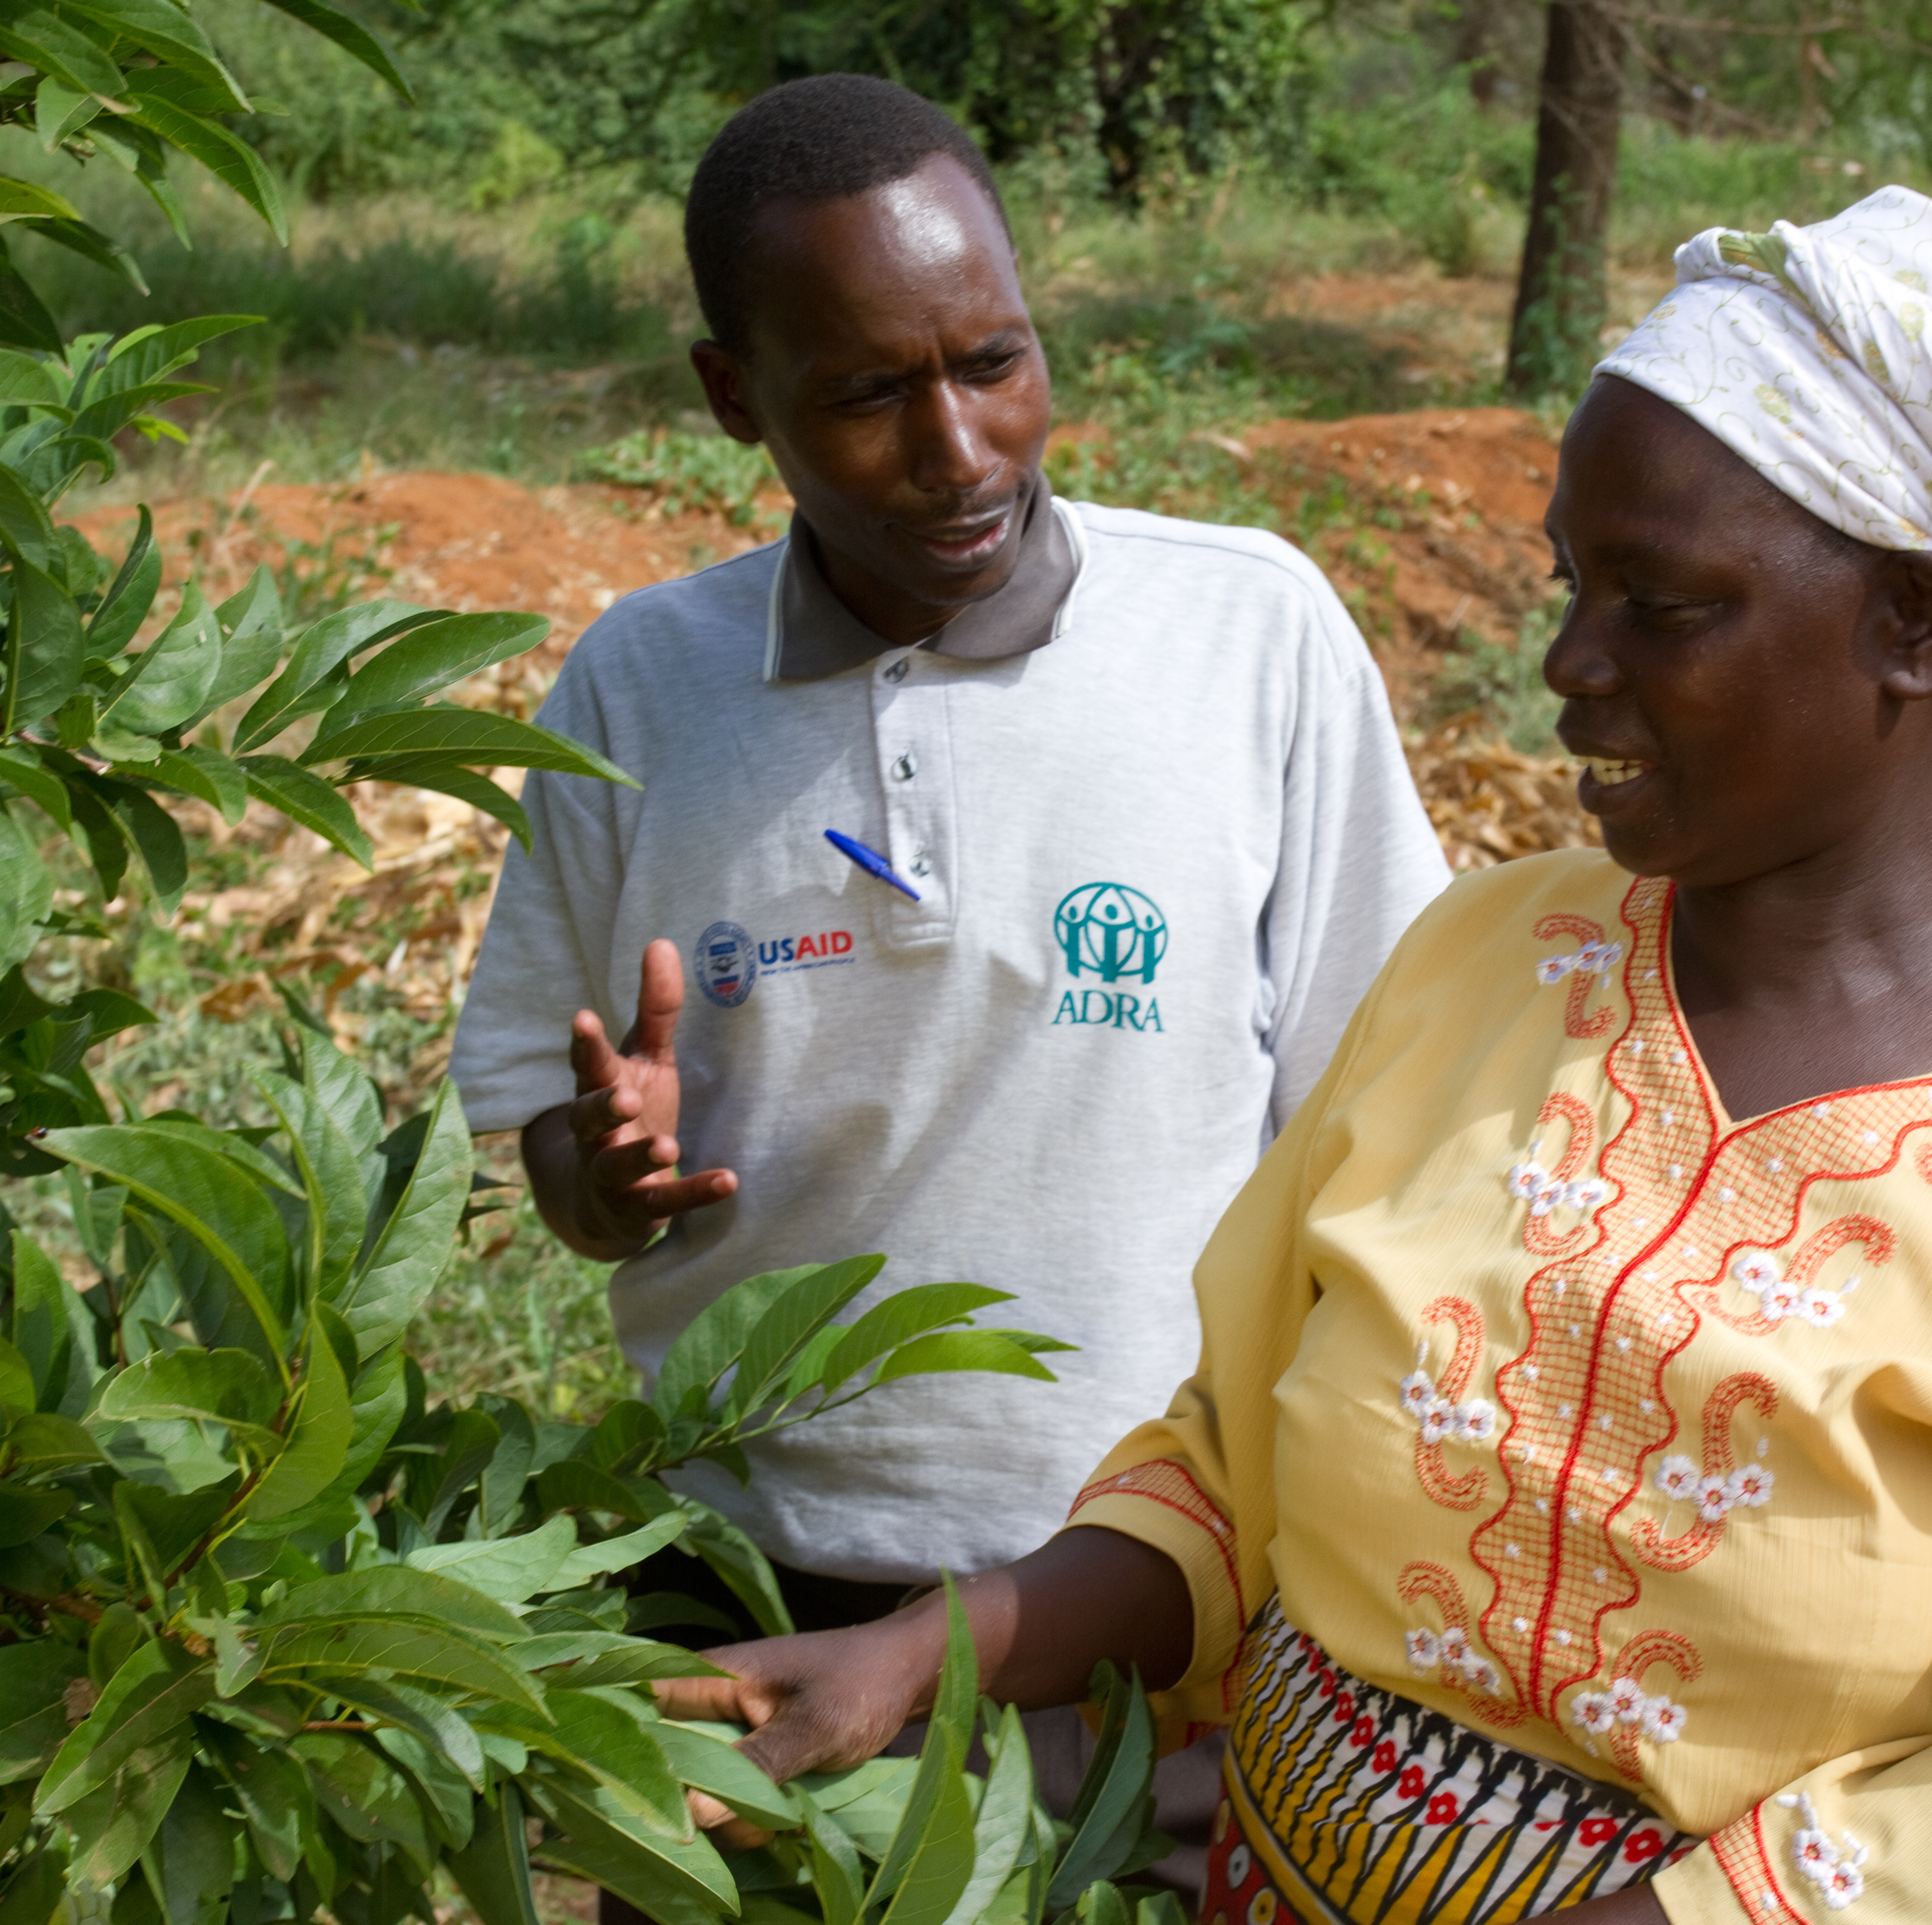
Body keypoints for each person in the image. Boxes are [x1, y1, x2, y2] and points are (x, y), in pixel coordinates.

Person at [656, 187, 1932, 1925]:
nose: (1569, 665)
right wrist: (928, 1653)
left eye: (1661, 606)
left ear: (1914, 626)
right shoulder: (1495, 956)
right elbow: (1228, 1468)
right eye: (1570, 582)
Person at [447, 72, 1453, 1869]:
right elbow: (546, 1112)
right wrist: (601, 1181)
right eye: (866, 396)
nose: (962, 449)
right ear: (732, 397)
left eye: (992, 362)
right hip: (749, 1581)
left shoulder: (1249, 635)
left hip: (1158, 1593)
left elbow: (1391, 1113)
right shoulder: (639, 691)